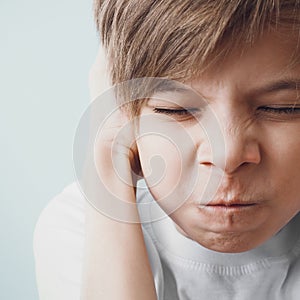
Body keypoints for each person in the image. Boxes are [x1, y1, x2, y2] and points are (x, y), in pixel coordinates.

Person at [33, 0, 300, 299]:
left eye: (283, 107)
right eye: (175, 110)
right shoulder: (79, 226)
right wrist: (107, 163)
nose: (228, 155)